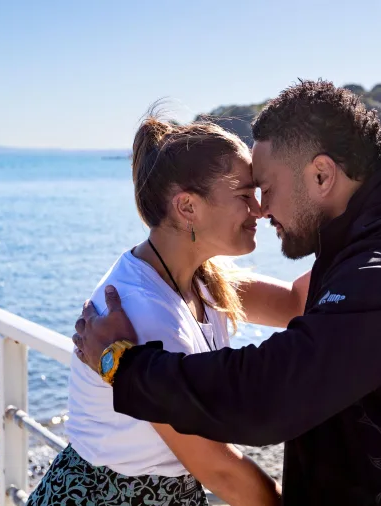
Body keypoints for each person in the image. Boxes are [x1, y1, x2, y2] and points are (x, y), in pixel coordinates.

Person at [73, 80, 381, 506]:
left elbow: (273, 391)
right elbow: (311, 312)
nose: (262, 210)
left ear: (321, 174)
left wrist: (127, 366)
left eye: (264, 190)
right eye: (247, 195)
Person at [28, 117, 312, 506]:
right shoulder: (145, 314)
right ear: (187, 206)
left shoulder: (203, 279)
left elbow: (298, 303)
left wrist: (353, 219)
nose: (259, 209)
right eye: (245, 195)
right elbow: (219, 470)